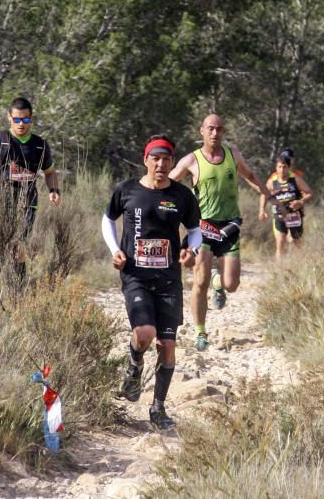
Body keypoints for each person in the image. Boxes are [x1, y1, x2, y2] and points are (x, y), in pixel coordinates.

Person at [102, 135, 202, 430]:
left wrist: (190, 249)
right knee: (144, 334)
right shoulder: (127, 190)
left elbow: (195, 230)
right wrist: (115, 251)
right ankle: (134, 365)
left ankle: (158, 408)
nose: (161, 164)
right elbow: (108, 220)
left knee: (167, 345)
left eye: (166, 159)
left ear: (172, 162)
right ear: (145, 160)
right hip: (136, 276)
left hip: (169, 279)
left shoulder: (182, 196)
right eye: (155, 158)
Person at [169, 114, 276, 352]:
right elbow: (169, 182)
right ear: (202, 132)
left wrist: (267, 195)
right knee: (200, 281)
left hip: (230, 226)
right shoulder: (191, 161)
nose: (215, 133)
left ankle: (219, 281)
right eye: (210, 129)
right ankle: (200, 332)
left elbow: (249, 175)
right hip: (203, 226)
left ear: (223, 132)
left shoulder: (232, 156)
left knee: (232, 284)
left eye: (219, 129)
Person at [0, 97, 61, 282]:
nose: (21, 124)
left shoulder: (39, 145)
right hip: (0, 203)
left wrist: (54, 190)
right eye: (17, 119)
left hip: (27, 203)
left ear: (31, 119)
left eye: (25, 119)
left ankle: (19, 293)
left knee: (19, 248)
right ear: (9, 117)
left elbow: (50, 172)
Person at [260, 154, 313, 262]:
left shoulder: (295, 180)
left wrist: (301, 201)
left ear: (289, 168)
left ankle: (301, 265)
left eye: (284, 167)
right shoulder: (272, 182)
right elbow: (264, 194)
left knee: (295, 241)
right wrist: (262, 210)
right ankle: (280, 271)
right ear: (276, 168)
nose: (282, 170)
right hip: (279, 215)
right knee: (280, 242)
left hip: (294, 215)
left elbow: (310, 193)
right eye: (279, 167)